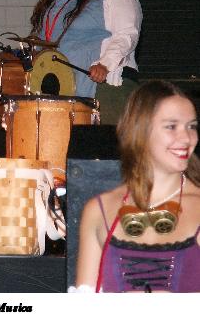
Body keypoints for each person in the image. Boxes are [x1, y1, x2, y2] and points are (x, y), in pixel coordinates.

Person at [74, 80, 200, 292]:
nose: (186, 138)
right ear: (140, 130)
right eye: (171, 126)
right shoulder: (99, 210)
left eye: (192, 126)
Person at [29, 0, 142, 123]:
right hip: (61, 89)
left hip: (104, 89)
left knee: (101, 143)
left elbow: (127, 34)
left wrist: (105, 64)